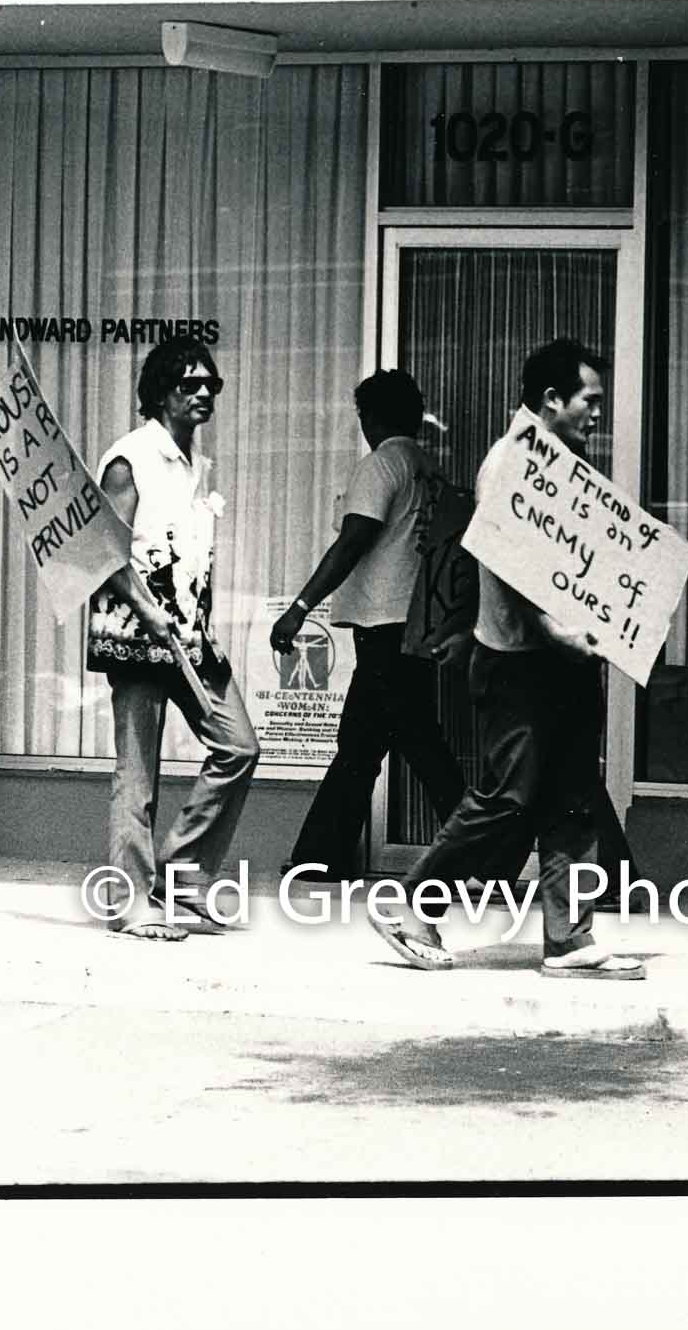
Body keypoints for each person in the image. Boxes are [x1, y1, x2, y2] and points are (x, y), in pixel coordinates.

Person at [370, 338, 643, 980]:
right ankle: (412, 907)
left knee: (572, 799)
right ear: (551, 400)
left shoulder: (563, 463)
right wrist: (554, 628)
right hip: (522, 662)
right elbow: (507, 558)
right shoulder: (512, 463)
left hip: (563, 661)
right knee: (506, 798)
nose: (597, 414)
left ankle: (569, 938)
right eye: (589, 401)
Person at [86, 335, 259, 940]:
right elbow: (102, 550)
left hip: (190, 633)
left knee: (238, 746)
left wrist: (189, 619)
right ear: (162, 392)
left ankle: (183, 874)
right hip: (139, 634)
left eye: (212, 384)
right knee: (137, 773)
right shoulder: (130, 459)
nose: (204, 393)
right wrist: (145, 607)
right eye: (191, 384)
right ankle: (130, 902)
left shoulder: (194, 463)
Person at [270, 369, 465, 880]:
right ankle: (320, 857)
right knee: (363, 744)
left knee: (416, 745)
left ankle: (479, 854)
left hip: (385, 623)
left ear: (371, 417)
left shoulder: (382, 465)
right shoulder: (428, 470)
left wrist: (301, 606)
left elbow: (353, 539)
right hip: (415, 621)